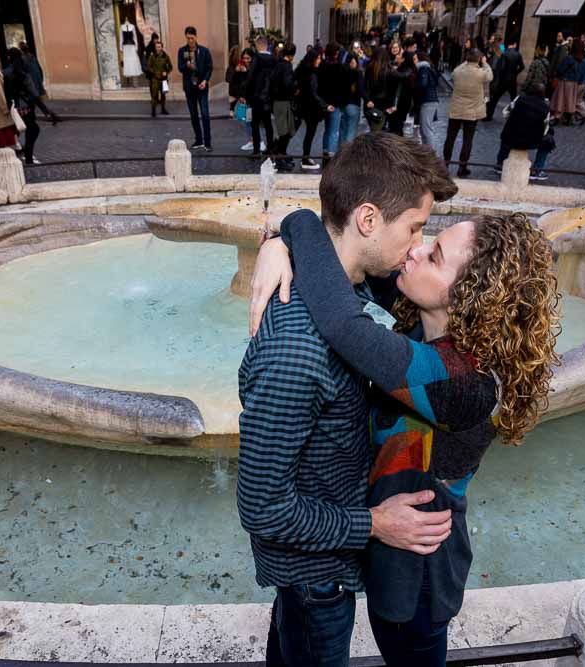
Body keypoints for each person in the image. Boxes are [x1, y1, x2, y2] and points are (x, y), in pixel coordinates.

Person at [249, 168, 559, 667]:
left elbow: (339, 321)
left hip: (419, 571)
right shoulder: (423, 318)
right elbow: (346, 263)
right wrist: (275, 245)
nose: (414, 251)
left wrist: (296, 223)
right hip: (382, 540)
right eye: (423, 237)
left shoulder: (460, 384)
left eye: (433, 255)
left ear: (472, 296)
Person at [238, 132, 461, 667]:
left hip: (325, 565)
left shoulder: (355, 285)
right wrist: (375, 524)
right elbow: (261, 506)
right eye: (414, 227)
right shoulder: (297, 352)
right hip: (317, 579)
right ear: (367, 219)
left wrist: (280, 234)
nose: (416, 245)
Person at [445, 48, 491, 177]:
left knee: (450, 138)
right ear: (479, 59)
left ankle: (445, 164)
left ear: (466, 59)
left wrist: (466, 62)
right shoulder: (481, 73)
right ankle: (462, 167)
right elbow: (490, 75)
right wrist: (485, 62)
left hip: (456, 110)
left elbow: (454, 73)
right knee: (467, 140)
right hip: (472, 113)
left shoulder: (458, 71)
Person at [496, 83, 553, 180]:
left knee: (507, 132)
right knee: (549, 141)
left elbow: (505, 113)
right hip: (531, 141)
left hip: (511, 136)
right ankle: (537, 170)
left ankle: (500, 164)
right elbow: (545, 127)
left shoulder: (519, 99)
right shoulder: (546, 107)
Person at [177, 26, 213, 151]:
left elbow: (209, 67)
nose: (190, 41)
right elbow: (180, 68)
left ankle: (207, 142)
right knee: (193, 115)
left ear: (196, 37)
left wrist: (205, 80)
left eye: (192, 38)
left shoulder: (204, 51)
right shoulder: (182, 51)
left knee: (205, 114)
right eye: (188, 38)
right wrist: (186, 66)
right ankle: (198, 140)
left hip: (202, 87)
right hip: (189, 88)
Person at [5, 47, 42, 164]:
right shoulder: (23, 73)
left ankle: (22, 153)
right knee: (33, 129)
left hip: (12, 106)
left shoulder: (5, 72)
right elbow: (34, 93)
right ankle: (28, 156)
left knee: (19, 130)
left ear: (8, 58)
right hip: (25, 105)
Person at [295, 49, 328, 170]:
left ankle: (277, 153)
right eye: (318, 58)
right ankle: (305, 158)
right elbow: (313, 93)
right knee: (309, 133)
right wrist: (325, 105)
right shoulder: (312, 74)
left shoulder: (301, 70)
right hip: (311, 108)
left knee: (292, 132)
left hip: (302, 106)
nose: (320, 60)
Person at [245, 35, 276, 157]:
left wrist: (245, 93)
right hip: (268, 97)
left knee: (255, 124)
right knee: (268, 124)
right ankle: (270, 147)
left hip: (256, 96)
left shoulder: (257, 58)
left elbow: (250, 77)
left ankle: (256, 150)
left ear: (258, 45)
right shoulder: (273, 59)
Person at [318, 43, 349, 159]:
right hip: (336, 103)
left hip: (325, 102)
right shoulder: (340, 68)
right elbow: (344, 87)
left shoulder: (322, 66)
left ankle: (325, 150)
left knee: (327, 129)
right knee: (334, 130)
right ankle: (331, 153)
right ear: (336, 54)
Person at [19, 42, 60, 124]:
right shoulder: (32, 57)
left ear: (21, 50)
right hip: (36, 83)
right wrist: (40, 81)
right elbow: (39, 69)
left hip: (30, 84)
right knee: (37, 101)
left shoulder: (23, 59)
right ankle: (49, 114)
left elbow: (24, 72)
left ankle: (42, 115)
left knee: (32, 102)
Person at [271, 43, 297, 172]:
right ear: (292, 55)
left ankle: (281, 154)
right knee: (284, 132)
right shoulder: (286, 66)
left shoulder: (278, 64)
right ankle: (279, 157)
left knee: (285, 131)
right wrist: (295, 88)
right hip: (283, 102)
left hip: (277, 101)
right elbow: (288, 84)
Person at [485, 39, 524, 121]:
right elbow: (522, 67)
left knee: (495, 99)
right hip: (512, 80)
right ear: (515, 44)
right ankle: (514, 118)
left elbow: (500, 68)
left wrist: (500, 77)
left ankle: (489, 115)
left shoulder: (504, 54)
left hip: (503, 80)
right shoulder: (518, 54)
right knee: (513, 100)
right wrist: (515, 73)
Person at [414, 50, 442, 155]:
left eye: (415, 59)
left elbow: (422, 84)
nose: (414, 61)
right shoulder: (427, 68)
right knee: (424, 129)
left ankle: (431, 155)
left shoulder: (423, 68)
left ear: (420, 59)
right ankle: (427, 153)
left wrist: (413, 85)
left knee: (426, 130)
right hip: (430, 101)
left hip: (428, 101)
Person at [550, 45, 585, 125]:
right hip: (574, 83)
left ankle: (557, 118)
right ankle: (568, 119)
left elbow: (560, 69)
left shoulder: (569, 58)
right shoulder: (581, 59)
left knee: (560, 100)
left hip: (565, 81)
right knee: (569, 101)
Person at [340, 48, 366, 144]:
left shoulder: (342, 72)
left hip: (343, 105)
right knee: (351, 131)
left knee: (342, 131)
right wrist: (367, 100)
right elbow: (361, 89)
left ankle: (340, 153)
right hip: (354, 105)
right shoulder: (357, 73)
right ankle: (347, 155)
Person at [146, 39, 173, 117]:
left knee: (163, 95)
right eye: (157, 47)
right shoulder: (152, 56)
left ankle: (163, 109)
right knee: (154, 95)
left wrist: (166, 72)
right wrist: (154, 72)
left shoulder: (165, 56)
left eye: (160, 47)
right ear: (155, 48)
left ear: (162, 47)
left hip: (164, 80)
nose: (158, 48)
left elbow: (170, 67)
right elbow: (148, 66)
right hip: (155, 79)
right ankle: (153, 110)